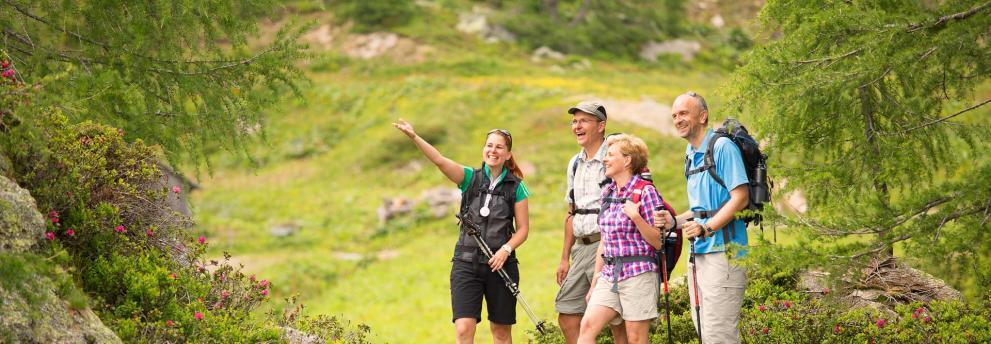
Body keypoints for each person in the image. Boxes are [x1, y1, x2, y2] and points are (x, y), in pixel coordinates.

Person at [393, 119, 530, 344]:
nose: (492, 150)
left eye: (499, 147)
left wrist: (506, 250)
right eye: (489, 145)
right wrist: (414, 137)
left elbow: (523, 230)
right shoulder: (469, 178)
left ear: (507, 154)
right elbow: (438, 160)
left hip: (502, 266)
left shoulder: (517, 187)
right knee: (463, 329)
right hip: (466, 264)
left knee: (501, 333)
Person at [654, 92, 749, 343]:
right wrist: (674, 221)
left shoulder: (722, 147)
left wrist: (706, 228)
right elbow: (700, 210)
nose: (678, 119)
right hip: (700, 255)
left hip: (725, 253)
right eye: (674, 115)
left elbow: (740, 198)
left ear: (703, 116)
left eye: (684, 113)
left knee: (720, 335)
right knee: (705, 331)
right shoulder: (690, 154)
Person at [577, 134, 664, 344]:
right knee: (587, 327)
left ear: (627, 160)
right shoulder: (607, 192)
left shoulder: (646, 191)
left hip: (639, 273)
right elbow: (605, 240)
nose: (605, 159)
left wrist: (636, 217)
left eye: (610, 154)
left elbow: (658, 242)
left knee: (635, 339)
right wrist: (596, 279)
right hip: (609, 274)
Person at [555, 101, 628, 344]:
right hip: (581, 249)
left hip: (608, 247)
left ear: (601, 126)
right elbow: (571, 211)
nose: (577, 126)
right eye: (574, 121)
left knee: (618, 320)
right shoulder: (574, 163)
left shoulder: (614, 157)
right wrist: (565, 257)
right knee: (567, 314)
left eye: (584, 121)